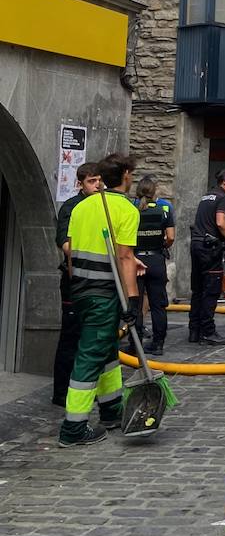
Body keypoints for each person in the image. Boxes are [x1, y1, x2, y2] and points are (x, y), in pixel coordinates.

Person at [59, 152, 141, 447]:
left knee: (107, 351)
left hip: (80, 288)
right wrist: (132, 300)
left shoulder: (81, 207)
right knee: (91, 355)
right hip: (104, 292)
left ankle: (111, 409)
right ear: (126, 176)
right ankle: (73, 427)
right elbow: (125, 256)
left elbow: (70, 252)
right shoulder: (127, 210)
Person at [52, 162, 103, 406]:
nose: (97, 185)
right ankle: (61, 393)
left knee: (91, 337)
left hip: (98, 280)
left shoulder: (102, 205)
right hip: (75, 280)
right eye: (91, 181)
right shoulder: (72, 207)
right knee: (70, 336)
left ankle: (87, 388)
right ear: (80, 184)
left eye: (99, 180)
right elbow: (64, 242)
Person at [187, 169, 225, 346]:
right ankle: (208, 332)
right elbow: (220, 222)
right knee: (211, 291)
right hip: (210, 249)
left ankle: (194, 330)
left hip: (197, 245)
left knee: (198, 290)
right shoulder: (224, 198)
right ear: (224, 181)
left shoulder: (207, 196)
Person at [134, 176, 175, 356]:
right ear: (154, 191)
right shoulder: (164, 210)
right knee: (158, 305)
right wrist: (161, 245)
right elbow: (171, 237)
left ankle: (134, 344)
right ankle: (158, 344)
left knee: (135, 305)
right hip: (156, 260)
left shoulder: (131, 209)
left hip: (136, 261)